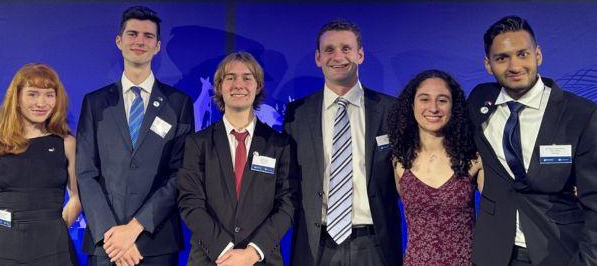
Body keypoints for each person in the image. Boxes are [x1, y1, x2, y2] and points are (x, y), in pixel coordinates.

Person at [469, 15, 597, 266]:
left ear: (537, 55)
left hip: (558, 252)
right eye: (502, 58)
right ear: (488, 64)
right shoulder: (478, 101)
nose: (514, 66)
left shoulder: (581, 114)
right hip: (492, 253)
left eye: (522, 54)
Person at [76, 6, 194, 266]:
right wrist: (112, 234)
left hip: (156, 242)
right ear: (119, 41)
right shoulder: (94, 103)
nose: (140, 41)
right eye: (132, 34)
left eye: (148, 36)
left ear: (158, 46)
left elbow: (180, 173)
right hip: (106, 244)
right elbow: (85, 173)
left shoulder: (179, 104)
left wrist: (134, 228)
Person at [284, 19, 402, 266]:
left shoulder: (392, 110)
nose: (338, 56)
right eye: (329, 50)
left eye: (346, 48)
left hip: (374, 245)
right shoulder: (297, 114)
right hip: (317, 245)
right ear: (318, 58)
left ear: (360, 54)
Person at [178, 52, 297, 266]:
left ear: (258, 86)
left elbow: (287, 205)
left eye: (247, 78)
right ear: (219, 87)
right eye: (230, 78)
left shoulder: (280, 145)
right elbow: (190, 202)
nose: (238, 85)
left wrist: (251, 253)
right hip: (210, 259)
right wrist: (224, 251)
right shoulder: (198, 143)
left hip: (262, 260)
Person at [0, 63, 81, 265]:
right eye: (33, 94)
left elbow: (77, 196)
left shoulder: (67, 144)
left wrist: (54, 227)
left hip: (55, 250)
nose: (42, 102)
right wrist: (10, 231)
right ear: (17, 99)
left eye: (49, 94)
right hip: (3, 249)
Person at [387, 69, 482, 266]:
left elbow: (501, 212)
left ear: (453, 107)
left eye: (442, 100)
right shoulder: (398, 160)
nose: (433, 108)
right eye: (424, 99)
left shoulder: (473, 159)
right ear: (411, 105)